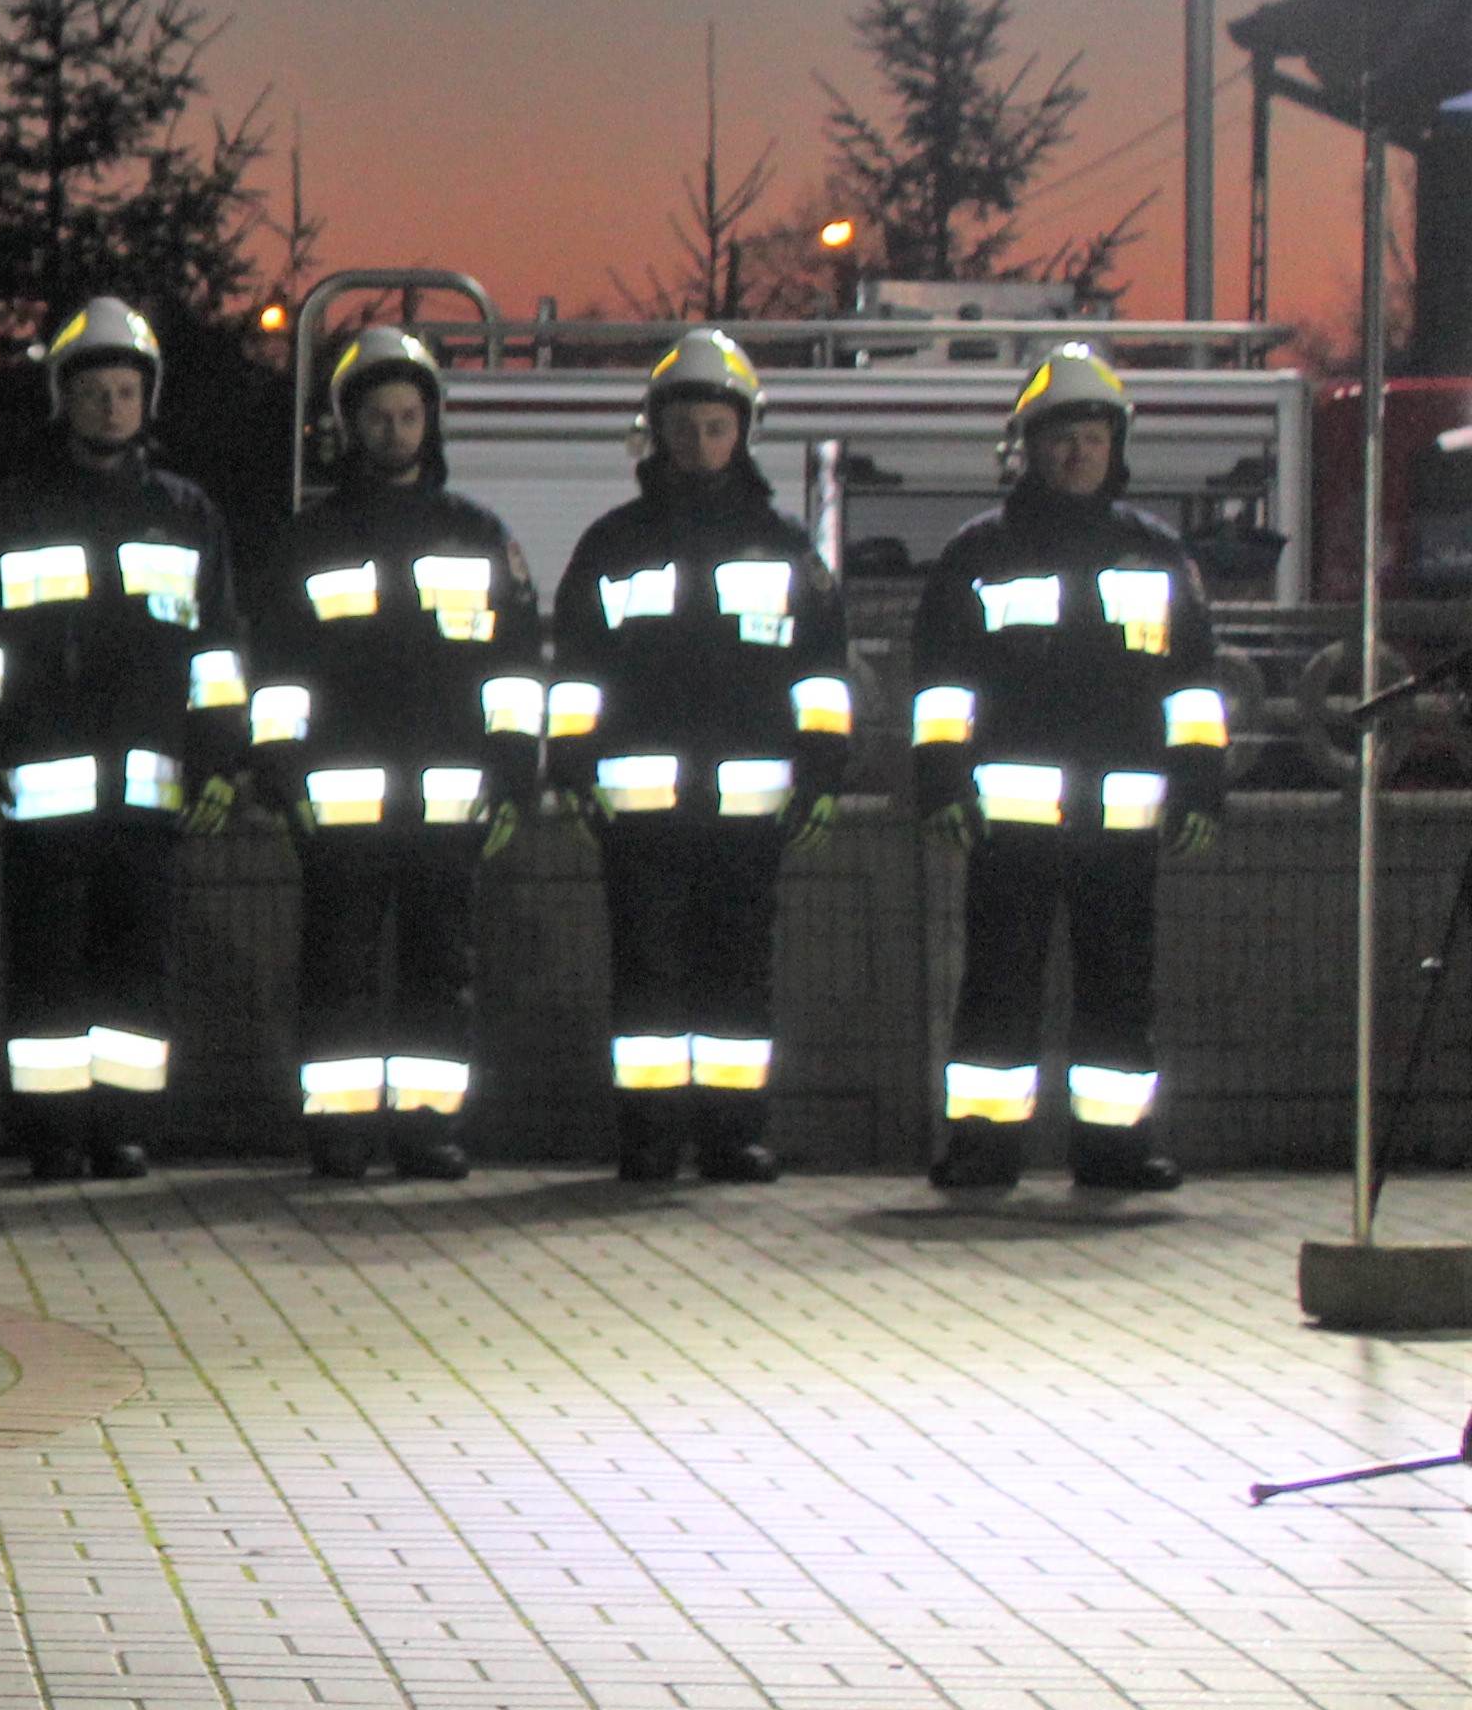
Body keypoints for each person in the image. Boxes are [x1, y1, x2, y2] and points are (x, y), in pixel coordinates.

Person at [0, 299, 248, 1180]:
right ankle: (51, 1132)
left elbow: (217, 653)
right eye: (94, 393)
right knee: (43, 968)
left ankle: (123, 1129)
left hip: (150, 796)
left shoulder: (188, 514)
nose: (111, 408)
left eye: (125, 392)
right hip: (37, 793)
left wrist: (221, 762)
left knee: (137, 970)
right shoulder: (15, 511)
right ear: (63, 401)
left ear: (147, 400)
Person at [912, 341, 1223, 1194]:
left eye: (1093, 437)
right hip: (1009, 825)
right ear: (1030, 447)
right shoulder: (980, 554)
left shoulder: (1160, 555)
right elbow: (942, 684)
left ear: (1117, 446)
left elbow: (1193, 687)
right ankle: (982, 1150)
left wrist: (1201, 784)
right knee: (997, 987)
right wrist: (941, 780)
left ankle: (1116, 1151)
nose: (1078, 453)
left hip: (1124, 824)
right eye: (1061, 438)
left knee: (1121, 991)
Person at [544, 328, 849, 1184]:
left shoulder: (788, 549)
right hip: (638, 813)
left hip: (749, 814)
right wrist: (571, 767)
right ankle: (648, 1137)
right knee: (646, 976)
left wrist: (823, 773)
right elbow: (577, 672)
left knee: (738, 977)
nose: (700, 443)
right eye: (684, 428)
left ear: (745, 431)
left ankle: (731, 1135)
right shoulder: (612, 545)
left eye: (716, 427)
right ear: (656, 432)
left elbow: (821, 677)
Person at [246, 330, 540, 1181]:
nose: (395, 432)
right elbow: (276, 673)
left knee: (441, 972)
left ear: (431, 422)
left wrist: (514, 775)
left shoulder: (480, 536)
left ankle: (427, 1128)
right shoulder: (308, 541)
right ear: (349, 426)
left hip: (453, 805)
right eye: (378, 417)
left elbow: (515, 669)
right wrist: (280, 777)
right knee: (336, 971)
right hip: (338, 807)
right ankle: (338, 1132)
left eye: (409, 416)